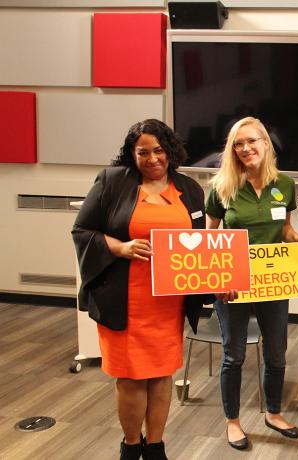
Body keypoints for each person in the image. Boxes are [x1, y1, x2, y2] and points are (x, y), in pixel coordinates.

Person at [72, 119, 208, 460]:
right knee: (131, 378)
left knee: (162, 375)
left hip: (168, 303)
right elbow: (82, 230)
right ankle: (131, 446)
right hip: (125, 300)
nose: (152, 159)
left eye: (158, 150)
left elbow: (202, 247)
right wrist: (121, 248)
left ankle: (156, 446)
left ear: (170, 150)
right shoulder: (113, 182)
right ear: (132, 154)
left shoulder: (190, 189)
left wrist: (219, 284)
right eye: (143, 152)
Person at [206, 117, 298, 450]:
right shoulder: (221, 186)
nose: (246, 148)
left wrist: (297, 239)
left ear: (266, 142)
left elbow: (285, 228)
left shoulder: (285, 185)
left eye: (251, 141)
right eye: (238, 144)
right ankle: (233, 422)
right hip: (233, 282)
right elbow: (209, 238)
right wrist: (218, 278)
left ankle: (273, 413)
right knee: (234, 355)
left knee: (276, 352)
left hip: (273, 281)